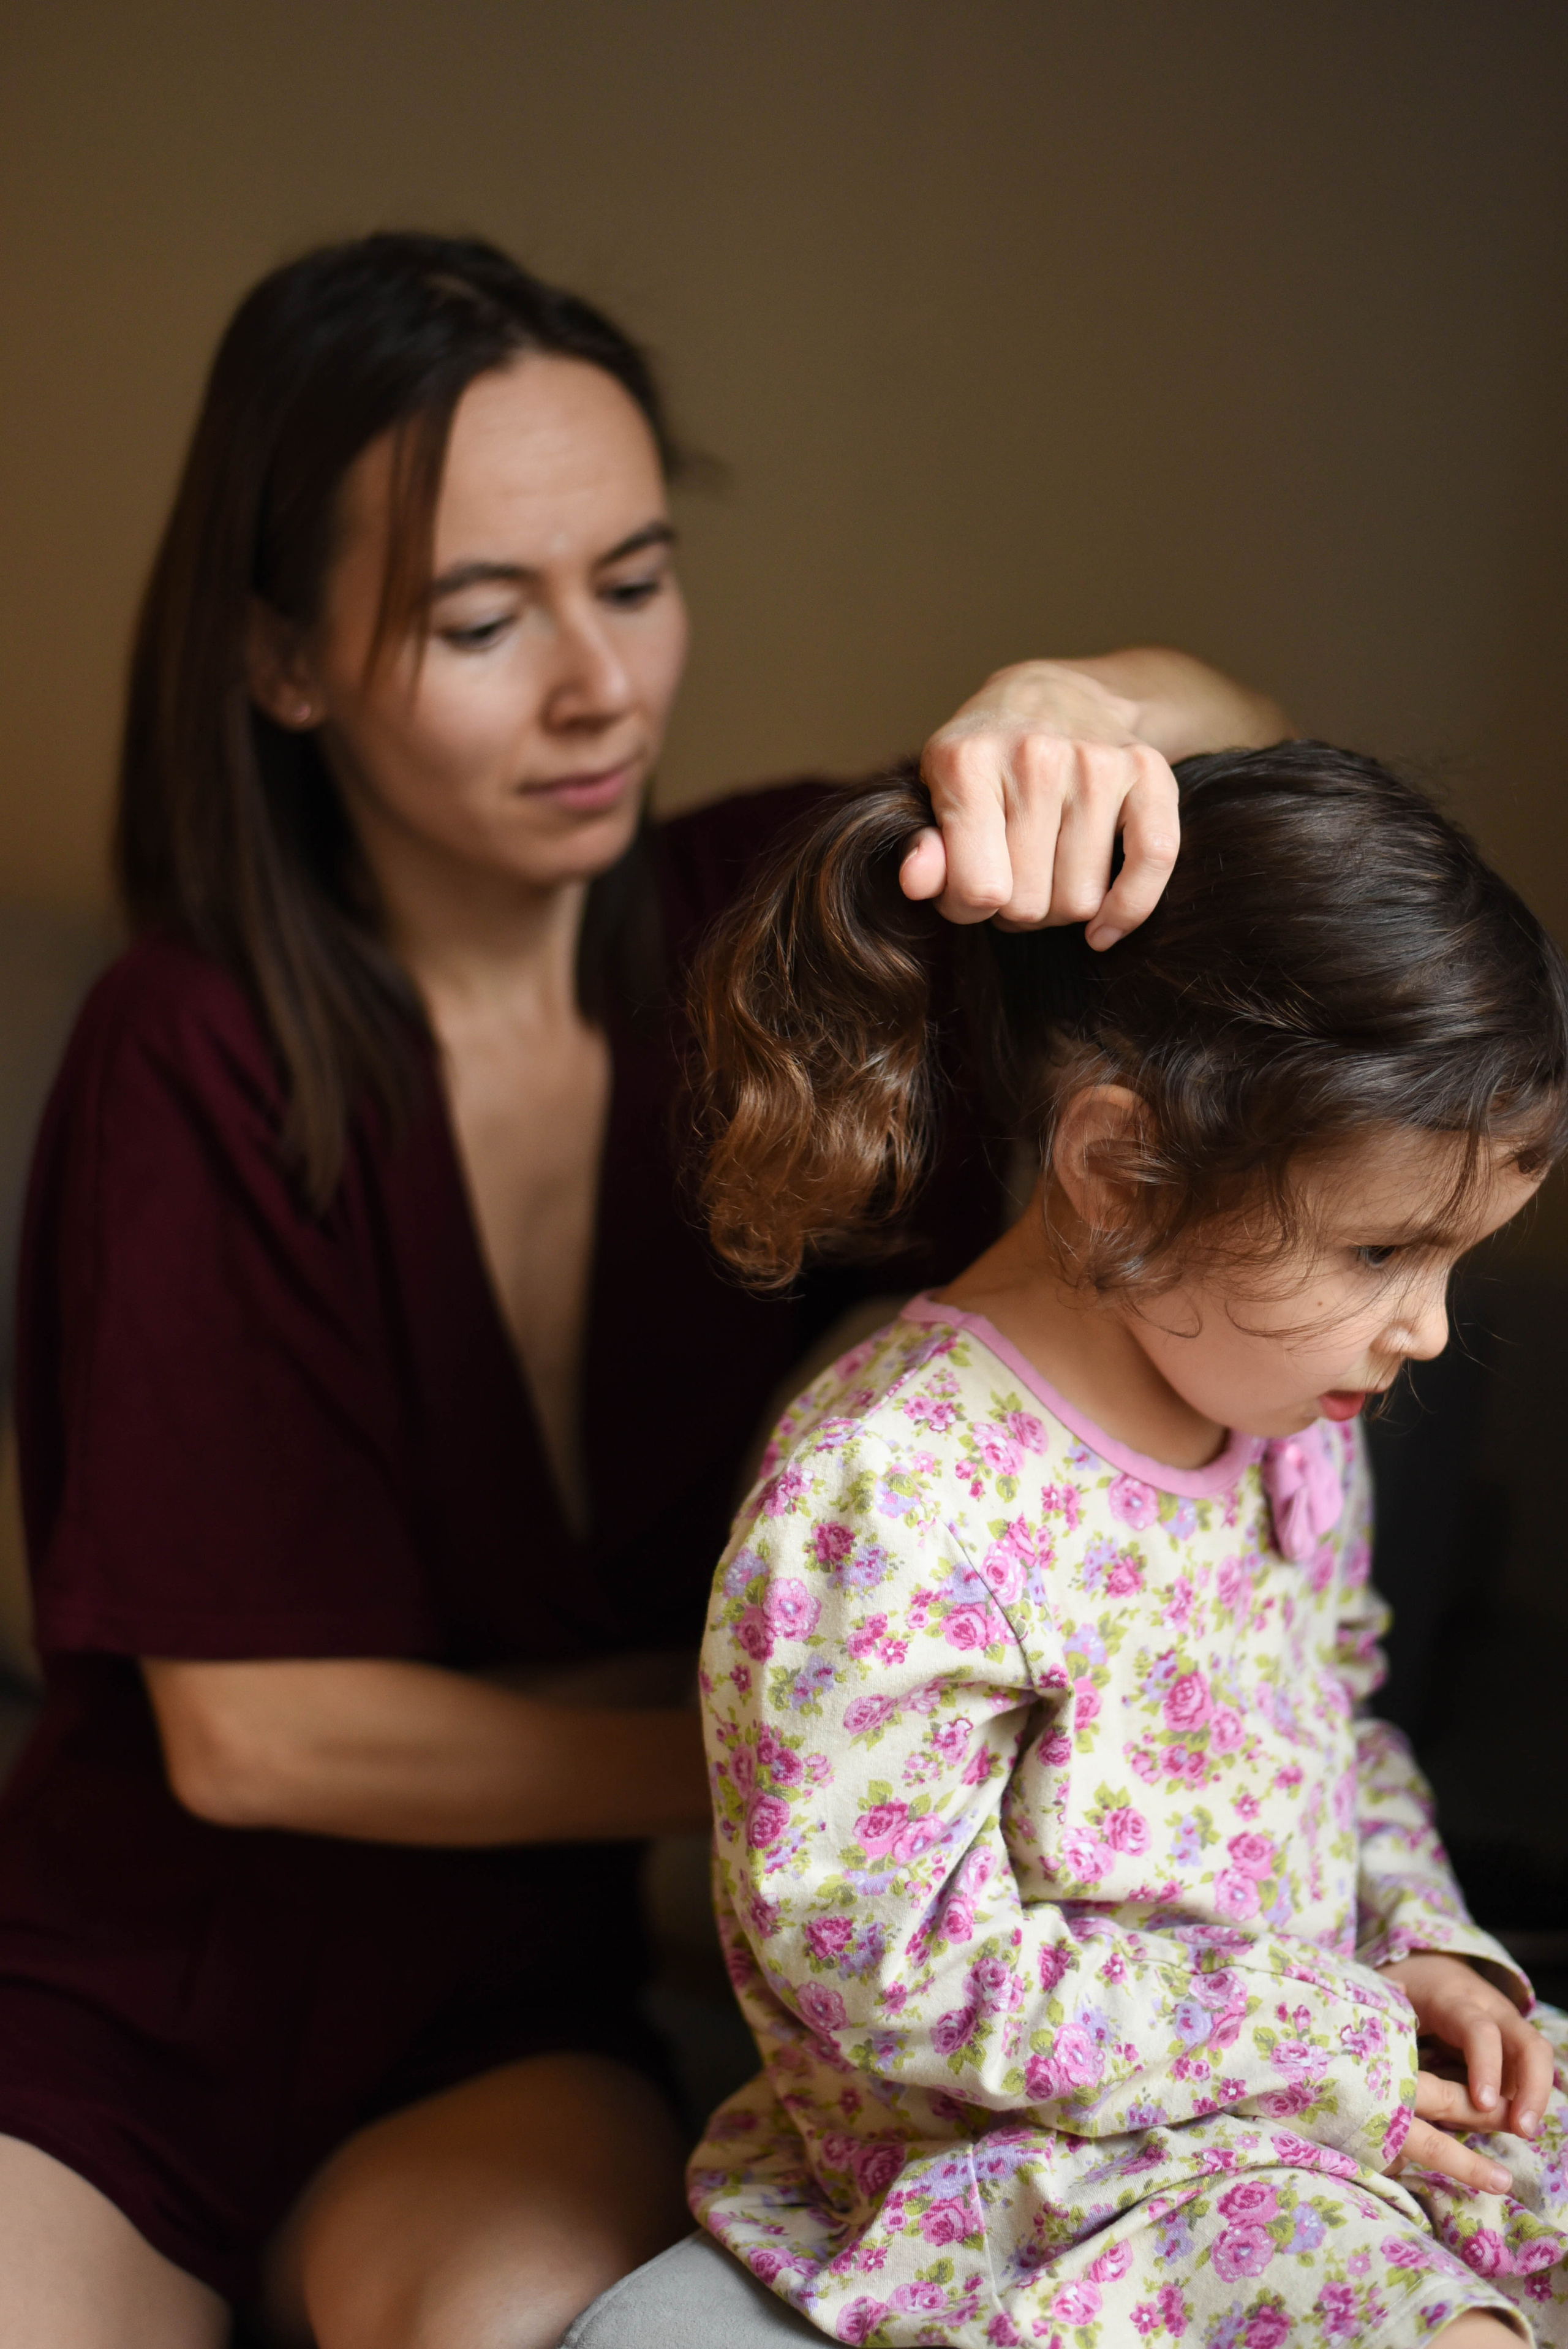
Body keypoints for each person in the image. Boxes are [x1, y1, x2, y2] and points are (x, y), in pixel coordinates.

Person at [0, 230, 1284, 2349]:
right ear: (282, 663)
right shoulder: (191, 1041)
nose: (600, 685)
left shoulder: (778, 959)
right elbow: (253, 1738)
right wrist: (825, 1762)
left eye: (636, 575)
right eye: (484, 617)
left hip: (503, 2010)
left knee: (527, 2327)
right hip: (124, 1996)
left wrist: (1079, 702)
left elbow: (1243, 751)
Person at [689, 744, 1568, 2347]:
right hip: (1051, 2157)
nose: (1426, 1327)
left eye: (1452, 1257)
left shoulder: (1290, 1404)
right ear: (1116, 1171)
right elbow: (882, 1959)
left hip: (1319, 2061)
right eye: (1383, 1248)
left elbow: (1341, 1729)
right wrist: (1315, 2038)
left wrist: (1426, 1946)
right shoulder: (899, 1490)